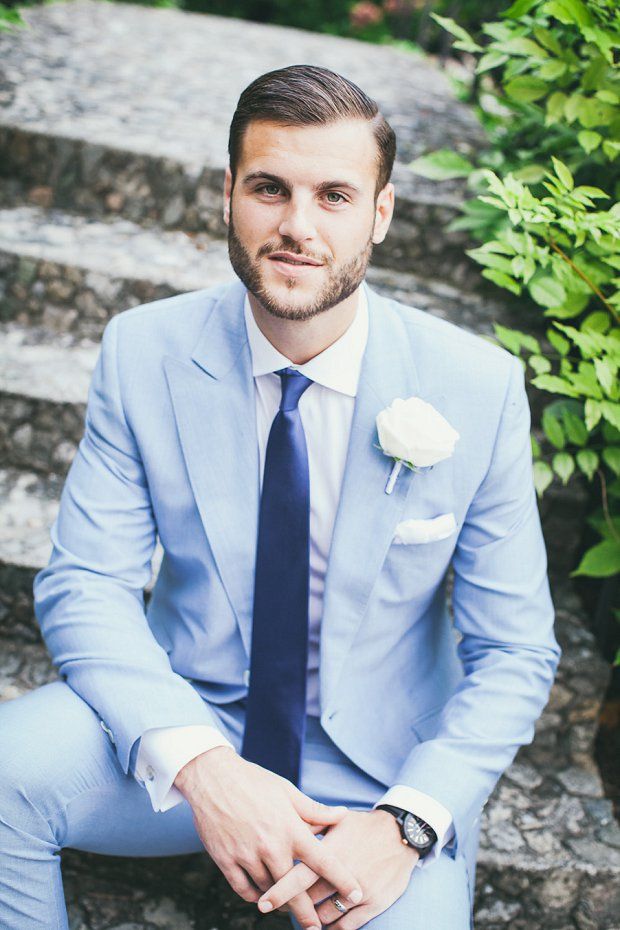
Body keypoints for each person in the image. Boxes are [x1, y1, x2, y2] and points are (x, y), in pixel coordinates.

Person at [0, 64, 561, 930]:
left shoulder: (476, 386)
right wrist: (202, 767)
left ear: (381, 213)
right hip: (190, 721)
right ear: (229, 195)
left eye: (335, 195)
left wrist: (409, 822)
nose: (297, 226)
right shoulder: (144, 351)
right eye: (270, 188)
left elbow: (517, 653)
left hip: (378, 780)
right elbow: (84, 585)